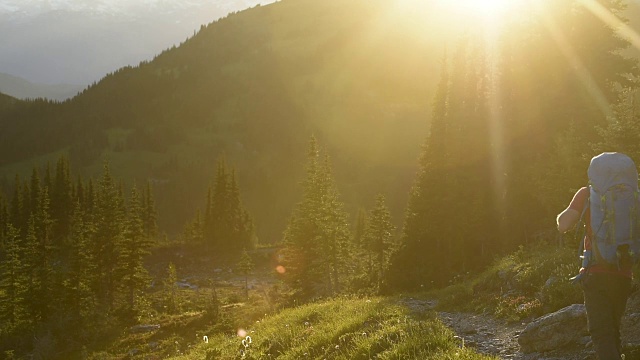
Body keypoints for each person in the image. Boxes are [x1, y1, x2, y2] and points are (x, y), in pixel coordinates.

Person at [557, 154, 634, 360]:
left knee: (601, 332)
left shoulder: (588, 193)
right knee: (613, 328)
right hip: (624, 272)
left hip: (596, 272)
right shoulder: (633, 196)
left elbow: (563, 225)